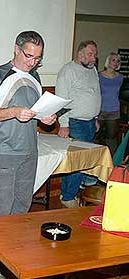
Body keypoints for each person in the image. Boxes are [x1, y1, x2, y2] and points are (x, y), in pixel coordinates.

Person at [0, 31, 56, 279]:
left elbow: (36, 112)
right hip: (5, 150)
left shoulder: (34, 78)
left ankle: (10, 255)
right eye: (28, 55)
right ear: (16, 48)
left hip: (29, 150)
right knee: (1, 209)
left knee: (22, 207)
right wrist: (13, 112)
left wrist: (46, 117)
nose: (32, 62)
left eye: (38, 58)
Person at [56, 40, 101, 208]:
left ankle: (69, 193)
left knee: (82, 161)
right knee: (76, 162)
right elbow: (61, 99)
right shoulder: (68, 71)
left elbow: (94, 93)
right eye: (90, 54)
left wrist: (95, 117)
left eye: (95, 55)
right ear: (80, 53)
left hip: (89, 123)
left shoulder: (92, 70)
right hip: (75, 123)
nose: (94, 58)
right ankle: (68, 196)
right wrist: (63, 124)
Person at [95, 52, 124, 155]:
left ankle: (112, 162)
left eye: (118, 61)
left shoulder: (120, 77)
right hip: (100, 110)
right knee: (96, 137)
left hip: (114, 111)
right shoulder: (98, 75)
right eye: (113, 60)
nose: (115, 63)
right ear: (108, 61)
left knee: (111, 138)